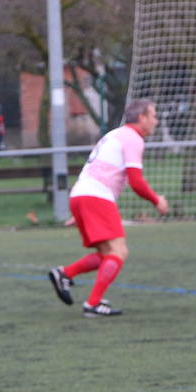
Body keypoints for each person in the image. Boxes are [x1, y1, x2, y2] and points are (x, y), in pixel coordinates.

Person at [48, 98, 169, 317]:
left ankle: (65, 274)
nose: (156, 121)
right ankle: (93, 304)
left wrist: (81, 211)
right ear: (142, 118)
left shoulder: (113, 135)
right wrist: (156, 200)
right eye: (153, 116)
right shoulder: (133, 138)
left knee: (106, 253)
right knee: (118, 251)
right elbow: (136, 181)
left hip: (81, 195)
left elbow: (97, 171)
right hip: (95, 197)